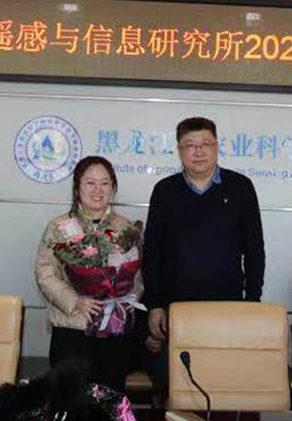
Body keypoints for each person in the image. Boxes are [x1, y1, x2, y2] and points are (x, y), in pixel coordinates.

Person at [140, 117, 265, 394]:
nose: (198, 152)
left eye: (205, 144)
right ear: (179, 150)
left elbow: (254, 250)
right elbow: (152, 252)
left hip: (227, 306)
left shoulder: (240, 187)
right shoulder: (165, 190)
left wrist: (252, 303)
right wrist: (155, 304)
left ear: (217, 146)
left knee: (224, 382)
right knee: (176, 385)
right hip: (176, 308)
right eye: (189, 145)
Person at [34, 156, 143, 392]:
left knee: (110, 398)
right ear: (77, 188)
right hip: (73, 327)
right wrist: (75, 301)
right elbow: (45, 273)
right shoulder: (59, 227)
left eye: (105, 183)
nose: (98, 190)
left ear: (113, 188)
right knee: (70, 398)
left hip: (113, 332)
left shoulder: (125, 227)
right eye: (90, 183)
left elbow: (137, 277)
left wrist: (122, 303)